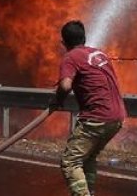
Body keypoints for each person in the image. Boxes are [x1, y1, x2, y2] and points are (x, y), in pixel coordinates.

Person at [51, 20, 126, 196]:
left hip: (97, 118)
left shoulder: (70, 57)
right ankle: (89, 192)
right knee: (88, 157)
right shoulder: (100, 54)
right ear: (84, 37)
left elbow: (65, 86)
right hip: (117, 117)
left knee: (70, 162)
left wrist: (58, 100)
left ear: (63, 43)